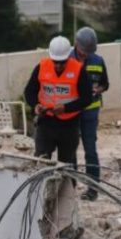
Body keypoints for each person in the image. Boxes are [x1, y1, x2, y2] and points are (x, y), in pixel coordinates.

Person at [23, 36, 93, 165]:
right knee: (41, 161)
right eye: (55, 62)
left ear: (68, 57)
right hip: (46, 122)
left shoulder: (78, 70)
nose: (58, 66)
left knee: (66, 164)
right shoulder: (41, 67)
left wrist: (66, 108)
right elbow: (29, 91)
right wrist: (35, 105)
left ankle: (67, 178)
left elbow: (87, 98)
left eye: (62, 62)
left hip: (69, 125)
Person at [71, 27, 109, 201]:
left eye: (88, 52)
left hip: (90, 112)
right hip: (72, 112)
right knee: (70, 149)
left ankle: (92, 189)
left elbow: (105, 84)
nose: (85, 55)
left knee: (90, 150)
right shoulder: (66, 59)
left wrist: (97, 89)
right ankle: (69, 186)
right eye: (82, 52)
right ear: (75, 44)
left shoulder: (98, 61)